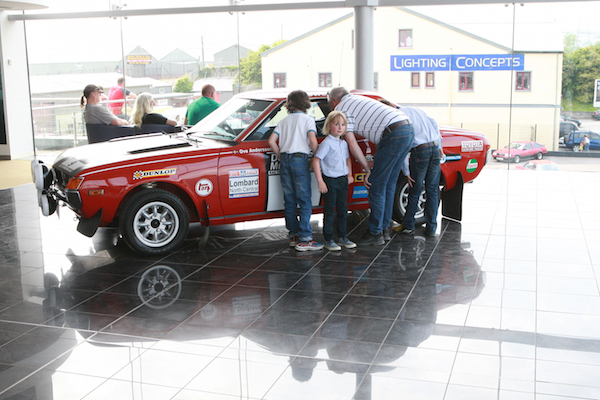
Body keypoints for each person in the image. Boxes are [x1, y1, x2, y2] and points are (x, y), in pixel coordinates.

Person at [328, 87, 414, 246]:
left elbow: (352, 143)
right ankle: (384, 230)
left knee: (376, 185)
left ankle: (375, 233)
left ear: (333, 101)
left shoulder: (341, 108)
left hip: (393, 134)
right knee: (388, 184)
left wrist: (367, 168)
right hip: (407, 129)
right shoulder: (359, 100)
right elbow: (377, 130)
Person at [268, 90, 323, 251]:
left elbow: (272, 141)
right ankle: (305, 239)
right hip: (300, 160)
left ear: (289, 103)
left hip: (285, 161)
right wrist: (315, 158)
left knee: (290, 200)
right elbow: (312, 140)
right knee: (304, 200)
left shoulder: (283, 121)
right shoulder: (308, 120)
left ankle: (293, 235)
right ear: (306, 103)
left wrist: (280, 156)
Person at [394, 106, 443, 237]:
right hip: (434, 148)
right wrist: (440, 146)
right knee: (432, 190)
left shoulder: (399, 116)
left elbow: (404, 144)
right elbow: (434, 123)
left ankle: (408, 225)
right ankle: (431, 228)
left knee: (414, 189)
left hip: (420, 151)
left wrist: (406, 172)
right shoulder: (416, 110)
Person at [312, 111, 357, 251]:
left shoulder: (343, 143)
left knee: (343, 209)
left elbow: (348, 158)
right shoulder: (327, 143)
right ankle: (329, 238)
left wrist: (349, 174)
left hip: (343, 180)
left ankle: (342, 237)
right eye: (336, 124)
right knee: (330, 210)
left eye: (343, 125)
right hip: (330, 180)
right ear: (329, 126)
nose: (340, 127)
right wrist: (320, 181)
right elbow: (316, 160)